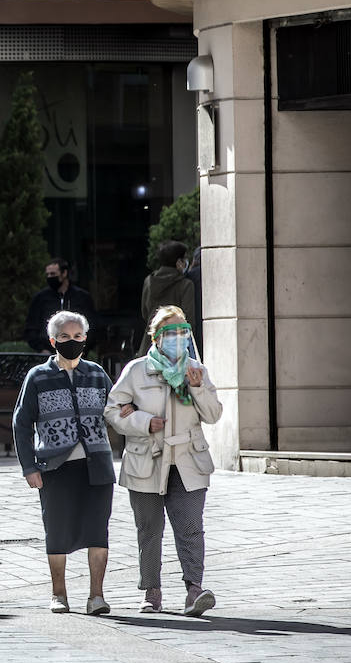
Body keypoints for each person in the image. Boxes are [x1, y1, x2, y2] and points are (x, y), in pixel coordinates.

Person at [104, 305, 223, 617]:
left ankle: (194, 590)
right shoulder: (136, 370)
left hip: (187, 460)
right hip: (147, 459)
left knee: (190, 527)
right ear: (155, 337)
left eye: (183, 331)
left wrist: (197, 387)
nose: (178, 337)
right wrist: (143, 421)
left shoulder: (196, 369)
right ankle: (151, 591)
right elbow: (113, 411)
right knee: (149, 529)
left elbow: (213, 414)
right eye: (170, 332)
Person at [12, 310, 116, 615]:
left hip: (97, 466)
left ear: (85, 338)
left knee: (98, 530)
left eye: (78, 336)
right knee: (56, 531)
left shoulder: (97, 373)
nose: (72, 341)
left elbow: (117, 411)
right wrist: (29, 467)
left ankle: (96, 596)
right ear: (53, 340)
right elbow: (21, 423)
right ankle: (59, 594)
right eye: (65, 337)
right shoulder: (38, 376)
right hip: (55, 469)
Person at [24, 258, 99, 353]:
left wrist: (83, 349)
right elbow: (31, 327)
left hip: (76, 352)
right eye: (47, 274)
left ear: (64, 273)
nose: (49, 277)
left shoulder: (82, 297)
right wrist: (42, 349)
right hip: (47, 353)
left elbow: (92, 326)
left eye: (53, 274)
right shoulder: (40, 298)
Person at [139, 241, 197, 354]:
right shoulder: (186, 285)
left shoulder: (149, 282)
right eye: (184, 259)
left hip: (150, 342)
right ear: (178, 262)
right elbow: (189, 320)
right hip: (177, 346)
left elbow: (144, 313)